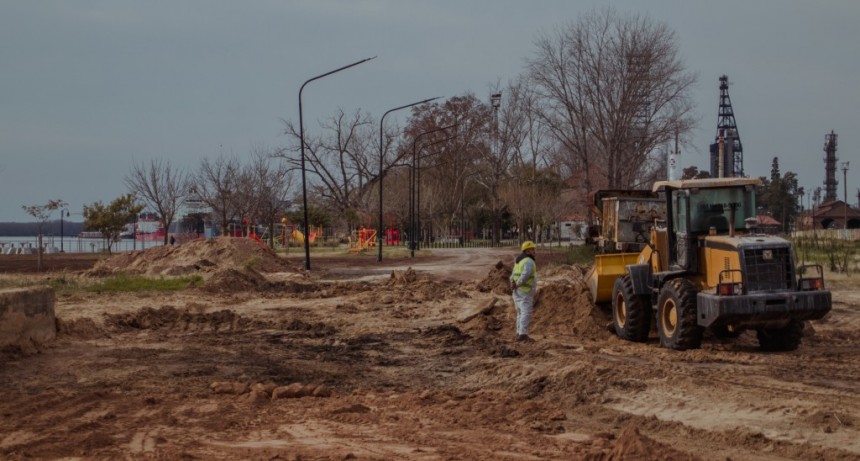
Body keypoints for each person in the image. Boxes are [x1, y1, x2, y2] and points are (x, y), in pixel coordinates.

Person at [510, 240, 538, 342]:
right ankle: (523, 335)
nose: (534, 251)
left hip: (517, 291)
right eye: (532, 249)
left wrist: (513, 284)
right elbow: (525, 275)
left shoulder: (519, 260)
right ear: (527, 251)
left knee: (520, 313)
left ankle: (519, 332)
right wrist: (517, 284)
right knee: (526, 312)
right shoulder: (529, 261)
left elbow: (513, 275)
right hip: (525, 291)